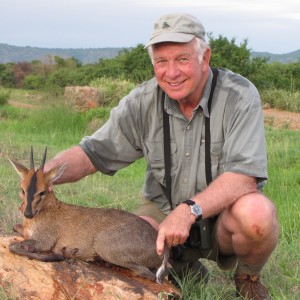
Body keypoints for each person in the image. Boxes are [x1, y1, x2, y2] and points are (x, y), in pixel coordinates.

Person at [44, 13, 279, 299]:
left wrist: (189, 209)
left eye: (182, 59)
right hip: (161, 214)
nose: (172, 72)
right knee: (116, 244)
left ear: (205, 59)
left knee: (258, 213)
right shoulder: (142, 101)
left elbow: (244, 178)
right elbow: (92, 153)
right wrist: (43, 175)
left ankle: (248, 278)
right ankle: (182, 269)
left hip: (222, 218)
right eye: (161, 62)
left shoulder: (239, 95)